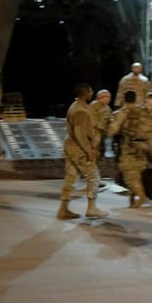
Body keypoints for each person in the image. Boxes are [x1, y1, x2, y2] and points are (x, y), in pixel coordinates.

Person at [57, 84, 107, 220]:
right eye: (90, 91)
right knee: (94, 175)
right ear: (86, 93)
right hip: (78, 147)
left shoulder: (77, 106)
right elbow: (79, 133)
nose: (92, 93)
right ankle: (92, 208)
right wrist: (89, 150)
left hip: (71, 145)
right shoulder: (80, 110)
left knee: (71, 177)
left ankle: (63, 209)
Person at [109, 90, 152, 207]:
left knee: (129, 173)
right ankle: (132, 200)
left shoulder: (122, 112)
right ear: (135, 99)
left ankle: (141, 197)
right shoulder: (142, 111)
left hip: (128, 147)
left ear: (124, 99)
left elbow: (112, 130)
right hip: (144, 146)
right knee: (137, 173)